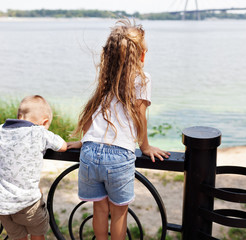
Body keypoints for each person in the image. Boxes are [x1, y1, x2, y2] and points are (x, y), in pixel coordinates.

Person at [67, 19, 170, 240]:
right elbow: (140, 116)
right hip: (118, 156)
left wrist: (84, 140)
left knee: (100, 209)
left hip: (90, 152)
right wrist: (145, 146)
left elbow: (92, 112)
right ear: (141, 55)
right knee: (119, 213)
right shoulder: (142, 78)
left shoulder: (107, 77)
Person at [0, 95, 67, 240]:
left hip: (0, 202)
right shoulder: (39, 132)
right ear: (44, 122)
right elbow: (62, 146)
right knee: (37, 234)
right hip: (27, 201)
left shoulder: (0, 131)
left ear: (18, 117)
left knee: (18, 237)